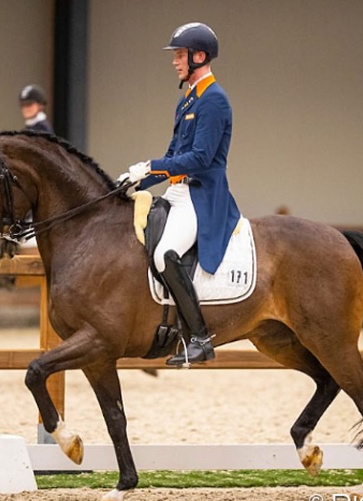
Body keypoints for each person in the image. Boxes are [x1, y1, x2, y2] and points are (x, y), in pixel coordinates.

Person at [121, 22, 241, 366]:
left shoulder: (214, 100)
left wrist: (149, 165)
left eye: (179, 55)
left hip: (202, 195)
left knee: (165, 254)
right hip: (178, 190)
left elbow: (201, 158)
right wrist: (136, 181)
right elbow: (174, 157)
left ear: (199, 56)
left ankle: (201, 338)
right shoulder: (187, 98)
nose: (175, 62)